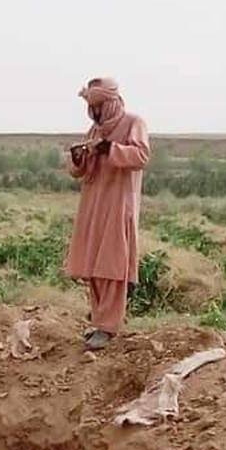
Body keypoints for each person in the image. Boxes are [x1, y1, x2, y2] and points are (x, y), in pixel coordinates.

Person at [66, 78, 151, 350]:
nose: (96, 112)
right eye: (93, 108)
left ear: (111, 103)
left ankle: (108, 326)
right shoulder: (94, 129)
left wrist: (110, 149)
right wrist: (80, 158)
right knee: (92, 266)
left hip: (118, 203)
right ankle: (99, 321)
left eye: (100, 106)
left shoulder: (133, 123)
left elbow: (141, 157)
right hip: (93, 203)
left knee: (111, 265)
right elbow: (80, 171)